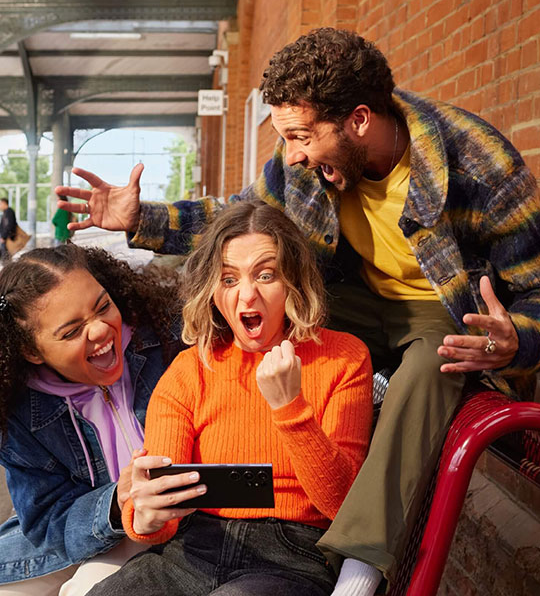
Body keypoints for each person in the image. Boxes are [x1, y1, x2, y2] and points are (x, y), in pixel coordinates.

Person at [57, 27, 540, 595]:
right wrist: (144, 220)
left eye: (301, 137)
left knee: (438, 360)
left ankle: (359, 566)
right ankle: (356, 400)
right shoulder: (305, 166)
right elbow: (240, 222)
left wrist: (517, 339)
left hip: (442, 311)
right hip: (351, 302)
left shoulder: (478, 166)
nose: (293, 155)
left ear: (359, 120)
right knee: (266, 302)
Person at [87, 201, 373, 596]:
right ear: (213, 292)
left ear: (293, 280)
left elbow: (342, 505)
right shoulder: (190, 369)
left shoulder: (343, 357)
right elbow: (159, 507)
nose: (247, 295)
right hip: (192, 547)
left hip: (291, 557)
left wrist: (290, 409)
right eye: (228, 279)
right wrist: (147, 513)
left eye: (266, 275)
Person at [0, 244, 183, 596]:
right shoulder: (16, 410)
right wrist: (119, 499)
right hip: (92, 529)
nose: (100, 331)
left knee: (88, 588)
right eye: (71, 332)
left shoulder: (169, 341)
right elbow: (48, 523)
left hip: (181, 522)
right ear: (32, 351)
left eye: (103, 307)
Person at [0, 197, 18, 264]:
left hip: (8, 239)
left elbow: (9, 225)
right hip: (7, 238)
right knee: (6, 258)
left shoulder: (9, 212)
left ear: (4, 203)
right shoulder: (6, 212)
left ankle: (8, 272)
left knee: (6, 258)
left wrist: (3, 237)